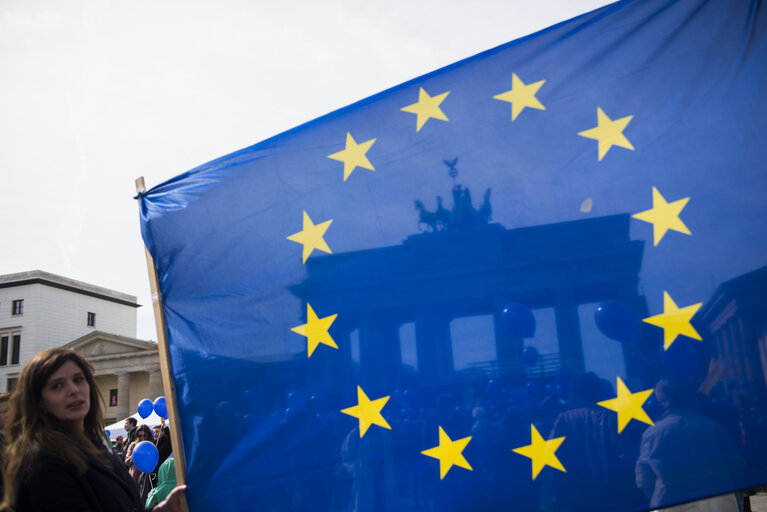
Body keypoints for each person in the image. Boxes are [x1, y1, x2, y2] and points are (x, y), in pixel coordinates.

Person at [0, 347, 186, 511]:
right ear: (39, 401)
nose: (73, 389)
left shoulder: (93, 445)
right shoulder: (42, 463)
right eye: (57, 386)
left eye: (78, 379)